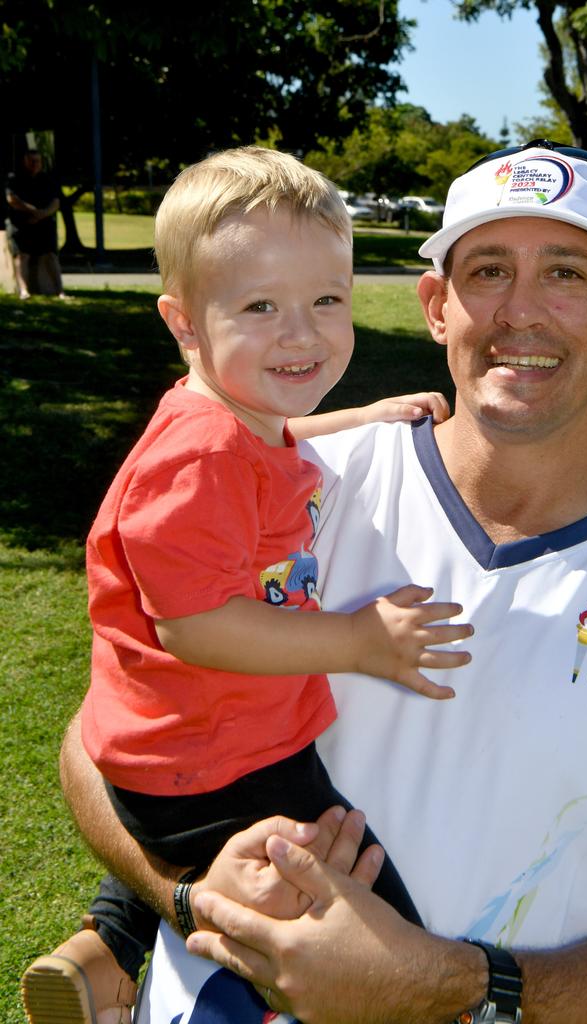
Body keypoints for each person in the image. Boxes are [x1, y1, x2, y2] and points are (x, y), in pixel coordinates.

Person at [57, 140, 587, 1024]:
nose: (521, 312)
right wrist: (193, 903)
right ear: (436, 305)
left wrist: (446, 983)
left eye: (566, 274)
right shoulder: (285, 476)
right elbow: (98, 743)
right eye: (487, 270)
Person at [20, 145, 475, 1024]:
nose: (301, 333)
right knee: (374, 925)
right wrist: (361, 641)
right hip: (214, 763)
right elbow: (195, 626)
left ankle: (108, 959)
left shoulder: (231, 419)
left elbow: (275, 432)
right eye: (260, 305)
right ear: (185, 323)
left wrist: (365, 415)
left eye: (326, 301)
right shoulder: (193, 460)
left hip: (193, 741)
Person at [5, 149, 66, 299]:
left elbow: (56, 202)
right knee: (21, 256)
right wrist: (32, 210)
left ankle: (60, 291)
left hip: (44, 225)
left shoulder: (47, 179)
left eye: (37, 161)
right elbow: (12, 199)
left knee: (51, 256)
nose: (35, 164)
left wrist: (42, 214)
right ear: (25, 162)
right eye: (31, 161)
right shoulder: (14, 179)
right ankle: (24, 291)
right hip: (21, 225)